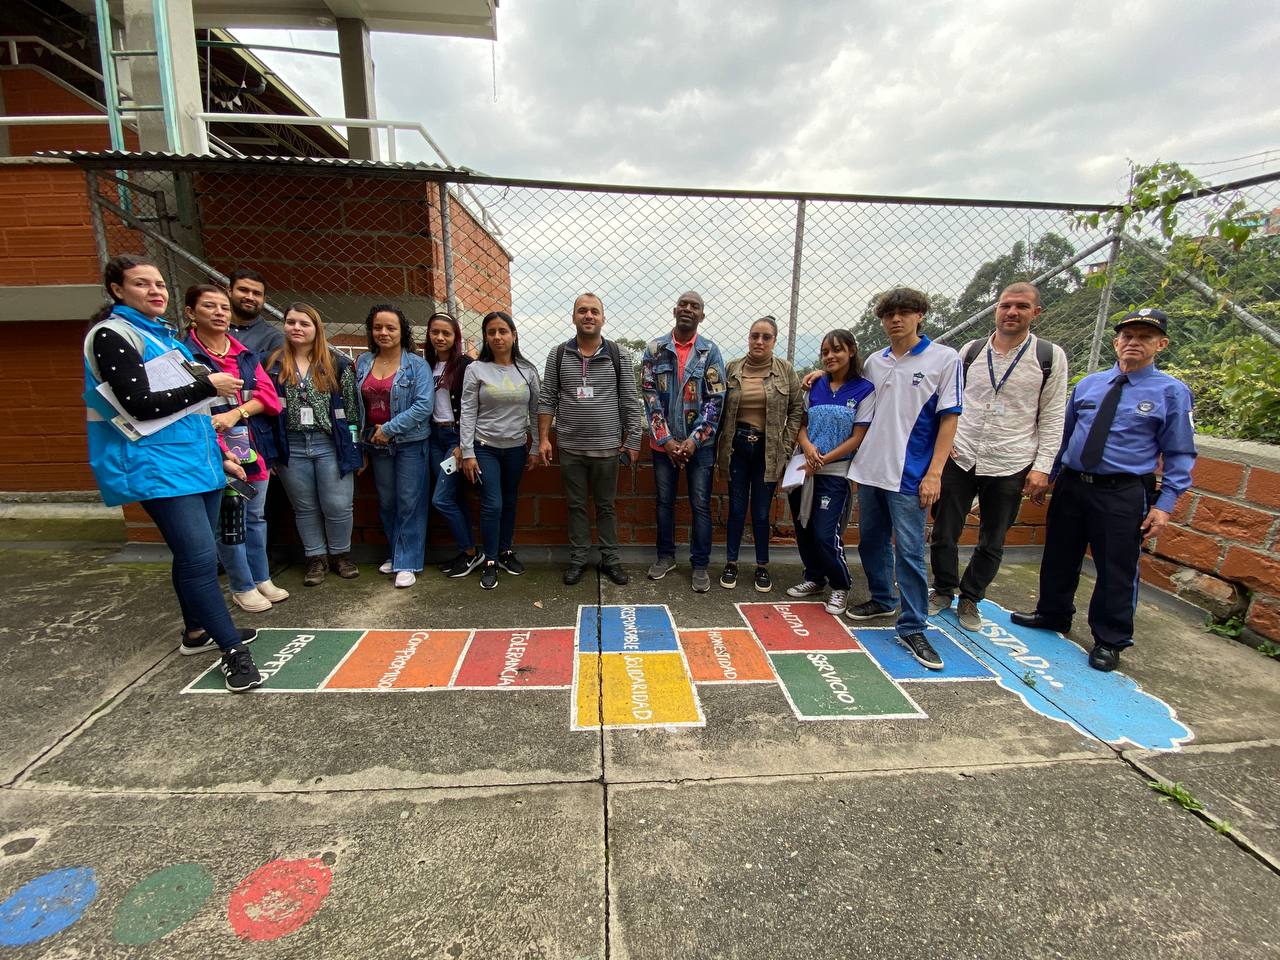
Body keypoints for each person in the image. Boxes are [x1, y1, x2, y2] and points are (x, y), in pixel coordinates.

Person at [83, 256, 262, 692]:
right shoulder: (113, 335)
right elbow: (139, 404)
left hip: (195, 462)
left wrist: (219, 455)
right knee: (202, 557)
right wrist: (209, 385)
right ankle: (233, 652)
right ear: (116, 289)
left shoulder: (162, 337)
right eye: (141, 284)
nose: (155, 291)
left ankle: (196, 633)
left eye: (160, 283)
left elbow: (191, 413)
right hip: (158, 467)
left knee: (192, 556)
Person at [1012, 308, 1197, 672]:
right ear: (1116, 342)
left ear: (1161, 344)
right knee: (1060, 554)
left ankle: (1110, 639)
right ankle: (1053, 613)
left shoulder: (1171, 392)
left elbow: (1180, 452)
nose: (1133, 343)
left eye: (1144, 337)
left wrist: (1166, 504)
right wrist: (1047, 473)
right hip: (1074, 483)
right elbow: (1066, 433)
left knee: (1116, 566)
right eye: (1127, 336)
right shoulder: (1090, 384)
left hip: (1122, 490)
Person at [929, 282, 1068, 631]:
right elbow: (947, 403)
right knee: (945, 530)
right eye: (1006, 305)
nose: (1012, 312)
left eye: (1021, 306)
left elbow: (1052, 415)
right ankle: (943, 589)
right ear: (996, 309)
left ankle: (972, 597)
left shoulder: (1048, 357)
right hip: (962, 455)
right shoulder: (971, 351)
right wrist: (941, 446)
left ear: (1035, 313)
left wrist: (1042, 467)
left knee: (993, 538)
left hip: (1011, 459)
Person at [848, 288, 963, 672]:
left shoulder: (943, 359)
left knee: (910, 553)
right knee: (870, 543)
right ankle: (882, 598)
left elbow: (949, 419)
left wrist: (934, 473)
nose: (896, 319)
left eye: (905, 312)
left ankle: (913, 626)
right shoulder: (874, 362)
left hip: (911, 476)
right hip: (870, 471)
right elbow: (853, 392)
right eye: (889, 314)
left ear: (920, 316)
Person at [183, 284, 285, 613]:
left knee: (256, 517)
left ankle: (261, 578)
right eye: (209, 307)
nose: (219, 313)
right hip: (213, 449)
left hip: (251, 446)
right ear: (191, 313)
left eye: (223, 308)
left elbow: (269, 399)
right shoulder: (184, 356)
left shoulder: (243, 354)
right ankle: (241, 585)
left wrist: (236, 412)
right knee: (230, 520)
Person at [537, 293, 644, 586]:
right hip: (570, 447)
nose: (588, 316)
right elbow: (547, 398)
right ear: (573, 317)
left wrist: (633, 440)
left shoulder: (617, 354)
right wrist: (543, 438)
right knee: (576, 506)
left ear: (602, 318)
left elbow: (629, 401)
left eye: (594, 311)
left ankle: (610, 559)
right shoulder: (558, 354)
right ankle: (578, 559)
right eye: (582, 311)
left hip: (608, 448)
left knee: (606, 506)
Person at [265, 303, 363, 587]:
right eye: (291, 322)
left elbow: (352, 412)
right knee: (304, 506)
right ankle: (315, 557)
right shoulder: (273, 364)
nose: (296, 328)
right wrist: (270, 450)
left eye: (304, 323)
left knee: (338, 504)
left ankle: (340, 554)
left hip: (329, 443)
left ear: (316, 329)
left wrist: (355, 447)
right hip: (292, 443)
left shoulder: (336, 363)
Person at [640, 291, 727, 593]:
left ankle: (700, 564)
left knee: (699, 504)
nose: (689, 309)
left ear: (702, 315)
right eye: (684, 305)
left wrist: (693, 440)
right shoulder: (654, 349)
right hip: (662, 446)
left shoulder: (710, 352)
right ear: (675, 310)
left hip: (698, 449)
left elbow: (715, 401)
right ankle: (666, 557)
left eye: (696, 306)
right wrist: (665, 440)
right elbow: (650, 398)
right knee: (664, 502)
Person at [784, 329, 874, 612]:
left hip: (833, 471)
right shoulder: (815, 386)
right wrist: (808, 448)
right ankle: (814, 577)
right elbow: (801, 425)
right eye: (825, 352)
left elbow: (858, 436)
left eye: (836, 350)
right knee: (803, 527)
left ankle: (841, 584)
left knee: (825, 532)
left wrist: (823, 459)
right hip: (804, 468)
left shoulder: (863, 389)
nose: (830, 356)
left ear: (851, 351)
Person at [716, 316, 805, 593]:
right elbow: (716, 407)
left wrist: (786, 445)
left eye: (766, 337)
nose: (759, 341)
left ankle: (762, 566)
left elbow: (797, 409)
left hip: (769, 450)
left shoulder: (785, 370)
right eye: (755, 335)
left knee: (762, 511)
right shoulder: (731, 369)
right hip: (736, 447)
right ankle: (731, 562)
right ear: (748, 337)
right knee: (737, 509)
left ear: (774, 341)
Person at [460, 311, 541, 590]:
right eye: (491, 332)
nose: (497, 337)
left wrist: (535, 445)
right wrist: (467, 451)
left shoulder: (527, 370)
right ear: (485, 336)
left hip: (516, 448)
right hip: (485, 448)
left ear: (513, 335)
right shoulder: (476, 370)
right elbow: (468, 412)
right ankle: (490, 560)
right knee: (492, 503)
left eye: (503, 331)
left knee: (509, 501)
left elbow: (535, 410)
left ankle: (506, 551)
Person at [355, 304, 432, 588]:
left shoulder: (416, 364)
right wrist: (363, 442)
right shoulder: (363, 362)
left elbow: (424, 406)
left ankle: (408, 562)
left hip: (409, 443)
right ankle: (396, 553)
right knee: (387, 502)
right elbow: (356, 406)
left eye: (391, 328)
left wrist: (389, 429)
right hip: (375, 445)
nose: (384, 333)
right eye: (378, 327)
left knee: (409, 501)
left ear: (402, 332)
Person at [425, 312, 480, 578]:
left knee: (442, 499)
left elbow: (474, 406)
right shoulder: (425, 363)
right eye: (435, 332)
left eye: (446, 333)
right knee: (454, 497)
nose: (440, 337)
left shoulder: (466, 365)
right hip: (434, 437)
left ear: (455, 337)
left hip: (455, 438)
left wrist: (463, 443)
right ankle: (466, 552)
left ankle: (471, 551)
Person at [226, 267, 283, 357]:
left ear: (264, 299)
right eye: (243, 290)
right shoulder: (212, 328)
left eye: (257, 294)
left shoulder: (274, 339)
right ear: (229, 291)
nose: (250, 297)